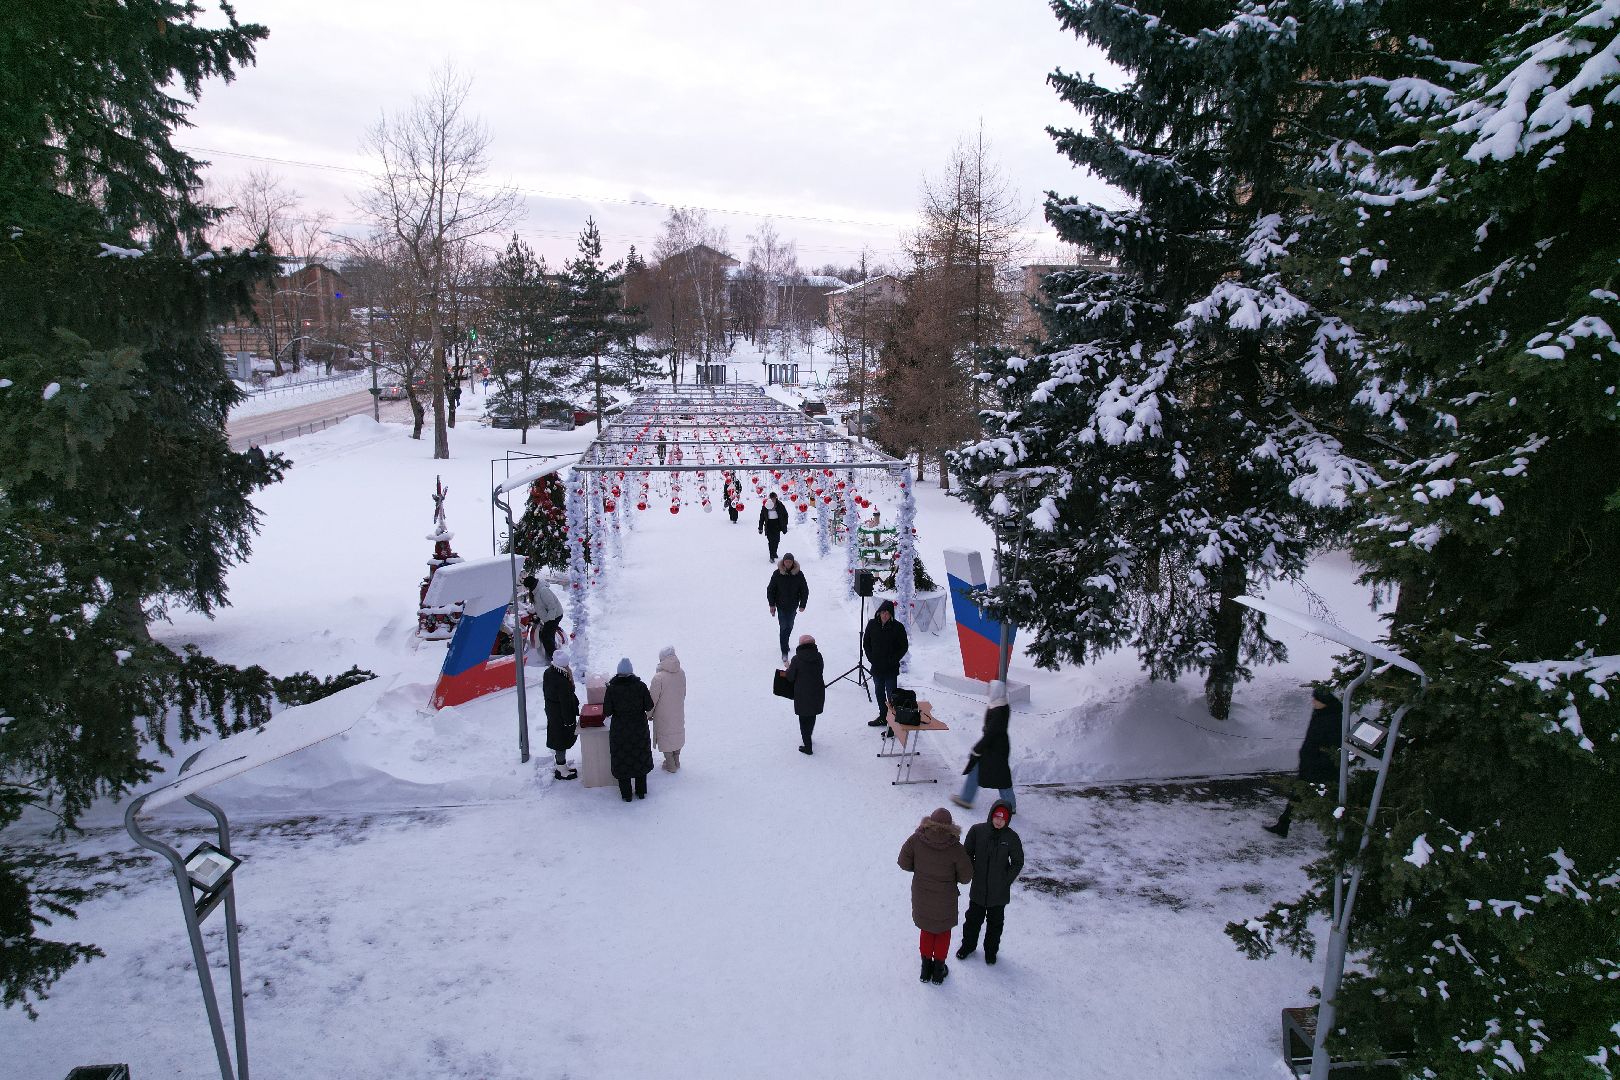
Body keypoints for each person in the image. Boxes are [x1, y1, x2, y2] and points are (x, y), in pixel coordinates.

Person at [897, 807, 973, 985]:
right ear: (950, 826)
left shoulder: (916, 839)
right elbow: (966, 877)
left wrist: (920, 870)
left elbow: (903, 862)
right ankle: (938, 971)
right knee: (943, 932)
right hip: (945, 899)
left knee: (926, 929)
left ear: (929, 822)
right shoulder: (955, 848)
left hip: (922, 895)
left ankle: (925, 969)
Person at [1265, 685, 1342, 837]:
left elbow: (1333, 747)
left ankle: (1336, 834)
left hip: (1322, 768)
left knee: (1329, 801)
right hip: (1309, 764)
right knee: (1297, 795)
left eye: (1316, 699)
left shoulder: (1333, 719)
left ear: (1324, 702)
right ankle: (1283, 825)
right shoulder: (1320, 713)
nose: (1313, 702)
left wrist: (1316, 762)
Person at [956, 800, 1023, 965]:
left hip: (999, 893)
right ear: (991, 815)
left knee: (995, 924)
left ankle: (991, 952)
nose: (999, 821)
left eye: (1003, 818)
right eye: (997, 817)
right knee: (972, 920)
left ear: (1007, 820)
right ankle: (968, 946)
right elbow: (966, 853)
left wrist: (1005, 880)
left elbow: (1017, 862)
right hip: (978, 889)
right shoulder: (977, 831)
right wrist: (973, 871)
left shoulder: (1011, 837)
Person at [952, 680, 1016, 811]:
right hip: (995, 746)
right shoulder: (999, 704)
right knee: (983, 771)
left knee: (1001, 777)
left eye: (990, 689)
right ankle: (966, 798)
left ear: (996, 691)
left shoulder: (999, 710)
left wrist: (977, 749)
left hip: (996, 749)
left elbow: (991, 733)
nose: (988, 692)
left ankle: (1010, 805)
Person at [603, 657, 655, 802]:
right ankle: (641, 791)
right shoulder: (641, 686)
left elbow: (607, 711)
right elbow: (649, 706)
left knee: (622, 760)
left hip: (620, 731)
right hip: (639, 730)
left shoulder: (612, 689)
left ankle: (626, 795)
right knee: (639, 757)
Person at [862, 599, 910, 727]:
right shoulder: (872, 624)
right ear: (879, 612)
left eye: (888, 613)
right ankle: (883, 717)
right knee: (879, 693)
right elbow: (866, 643)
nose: (885, 615)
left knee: (891, 695)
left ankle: (893, 722)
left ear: (891, 614)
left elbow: (903, 646)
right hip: (877, 667)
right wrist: (871, 658)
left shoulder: (898, 627)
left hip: (890, 668)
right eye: (883, 612)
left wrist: (893, 659)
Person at [784, 633, 825, 756]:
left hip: (802, 693)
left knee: (803, 719)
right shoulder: (819, 656)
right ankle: (809, 736)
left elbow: (790, 677)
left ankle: (808, 747)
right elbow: (820, 670)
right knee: (812, 715)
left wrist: (788, 668)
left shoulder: (796, 659)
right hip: (817, 691)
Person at [542, 647, 579, 780]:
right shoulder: (562, 681)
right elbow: (566, 703)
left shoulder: (549, 672)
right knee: (561, 741)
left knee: (558, 739)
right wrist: (569, 721)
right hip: (561, 716)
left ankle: (561, 766)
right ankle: (561, 770)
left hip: (553, 712)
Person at [766, 553, 810, 665]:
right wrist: (772, 604)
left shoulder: (799, 574)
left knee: (789, 626)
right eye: (786, 561)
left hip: (793, 606)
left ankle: (785, 643)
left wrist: (802, 604)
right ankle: (784, 651)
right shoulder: (777, 574)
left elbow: (804, 590)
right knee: (783, 627)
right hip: (781, 606)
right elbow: (770, 590)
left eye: (790, 562)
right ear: (783, 562)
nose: (788, 563)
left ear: (793, 562)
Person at [649, 645, 687, 773]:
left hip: (663, 714)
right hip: (678, 710)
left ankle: (670, 764)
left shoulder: (658, 677)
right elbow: (683, 693)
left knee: (666, 736)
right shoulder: (681, 673)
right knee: (676, 733)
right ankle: (676, 760)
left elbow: (652, 700)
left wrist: (648, 714)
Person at [524, 573, 565, 661]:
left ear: (531, 585)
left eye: (527, 587)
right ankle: (552, 657)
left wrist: (549, 620)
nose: (527, 590)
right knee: (548, 636)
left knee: (546, 636)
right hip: (550, 616)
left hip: (555, 615)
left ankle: (553, 659)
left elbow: (552, 606)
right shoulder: (536, 591)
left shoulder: (543, 591)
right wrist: (539, 617)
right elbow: (540, 607)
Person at [758, 492, 788, 560]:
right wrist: (760, 528)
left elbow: (785, 514)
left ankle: (774, 552)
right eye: (771, 499)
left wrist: (785, 524)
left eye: (774, 499)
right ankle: (771, 555)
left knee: (776, 540)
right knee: (771, 541)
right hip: (769, 525)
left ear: (776, 498)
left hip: (777, 524)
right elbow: (762, 517)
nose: (773, 500)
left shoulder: (779, 505)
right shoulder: (766, 505)